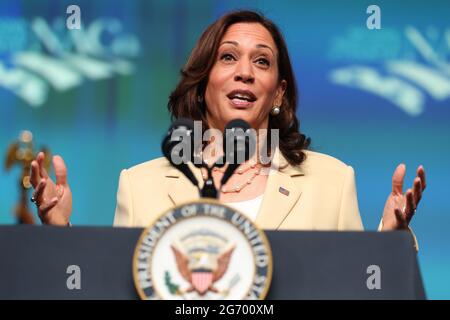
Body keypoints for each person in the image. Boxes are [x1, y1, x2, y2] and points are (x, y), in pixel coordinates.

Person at [29, 10, 426, 240]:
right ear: (203, 85)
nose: (245, 73)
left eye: (262, 61)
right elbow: (116, 290)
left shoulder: (333, 182)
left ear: (279, 93)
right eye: (228, 57)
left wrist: (388, 246)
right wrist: (60, 235)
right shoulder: (140, 185)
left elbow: (358, 290)